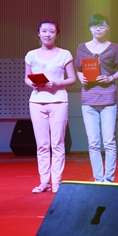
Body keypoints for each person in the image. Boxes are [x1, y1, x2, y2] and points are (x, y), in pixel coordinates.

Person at [25, 19, 76, 193]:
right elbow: (27, 77)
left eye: (52, 31)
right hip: (36, 102)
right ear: (38, 33)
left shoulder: (64, 54)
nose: (48, 34)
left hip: (58, 101)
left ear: (57, 34)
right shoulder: (31, 55)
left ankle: (57, 182)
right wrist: (32, 84)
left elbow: (72, 79)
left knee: (57, 143)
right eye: (44, 31)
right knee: (42, 144)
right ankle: (44, 181)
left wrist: (56, 83)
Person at [75, 13, 118, 183]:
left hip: (108, 99)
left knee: (109, 141)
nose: (98, 28)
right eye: (95, 25)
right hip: (88, 99)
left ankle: (109, 179)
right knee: (93, 143)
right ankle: (98, 178)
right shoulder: (82, 48)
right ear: (90, 28)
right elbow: (78, 69)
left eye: (102, 25)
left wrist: (110, 78)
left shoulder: (114, 48)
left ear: (108, 27)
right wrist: (81, 78)